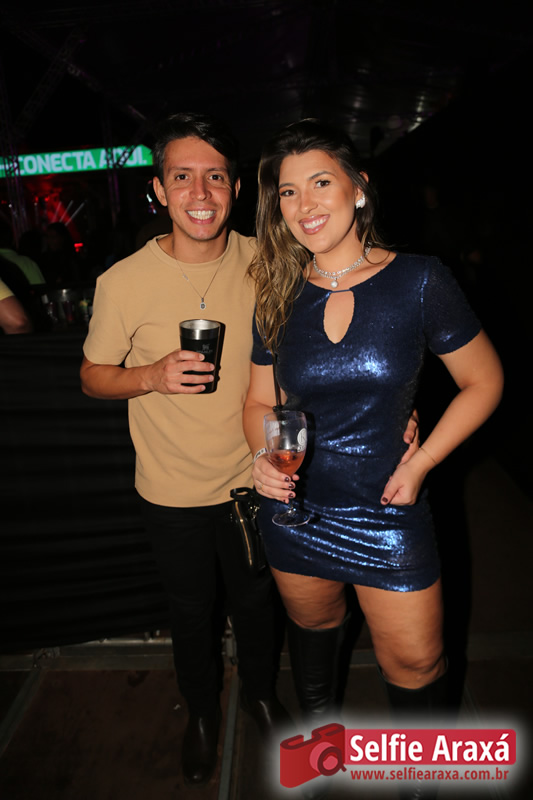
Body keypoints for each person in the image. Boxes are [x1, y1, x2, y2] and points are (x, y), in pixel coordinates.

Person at [243, 120, 503, 786]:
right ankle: (316, 764)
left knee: (417, 663)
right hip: (297, 512)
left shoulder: (419, 279)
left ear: (359, 188)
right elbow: (258, 402)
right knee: (313, 643)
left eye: (319, 183)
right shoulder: (275, 292)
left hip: (389, 509)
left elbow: (483, 381)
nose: (303, 205)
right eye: (288, 192)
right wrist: (264, 456)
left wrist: (422, 462)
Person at [80, 112, 291, 787]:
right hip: (170, 490)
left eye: (215, 177)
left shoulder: (270, 260)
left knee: (256, 603)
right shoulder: (121, 281)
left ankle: (260, 694)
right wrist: (149, 376)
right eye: (182, 177)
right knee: (191, 612)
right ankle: (201, 711)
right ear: (159, 190)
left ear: (236, 187)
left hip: (253, 479)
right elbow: (91, 376)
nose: (200, 194)